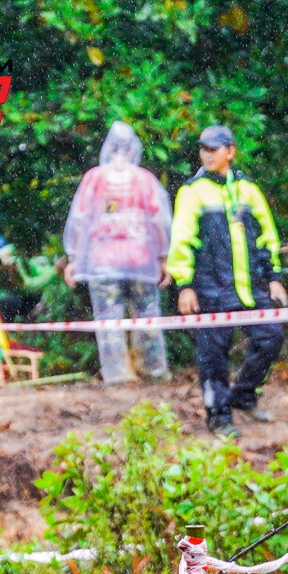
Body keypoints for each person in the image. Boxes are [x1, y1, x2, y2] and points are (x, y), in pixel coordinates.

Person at [166, 124, 288, 437]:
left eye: (214, 148)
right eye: (203, 149)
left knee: (271, 337)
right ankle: (218, 416)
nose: (208, 154)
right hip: (209, 289)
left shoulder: (249, 190)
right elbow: (181, 241)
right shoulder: (192, 192)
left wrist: (274, 278)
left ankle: (243, 395)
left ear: (230, 151)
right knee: (213, 357)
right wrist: (185, 286)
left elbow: (266, 236)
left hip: (250, 289)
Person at [62, 121, 172, 386]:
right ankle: (153, 371)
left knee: (108, 320)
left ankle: (118, 376)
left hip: (103, 262)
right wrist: (163, 256)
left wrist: (74, 258)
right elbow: (159, 221)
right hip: (141, 260)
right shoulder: (145, 180)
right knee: (147, 314)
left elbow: (79, 219)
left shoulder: (94, 179)